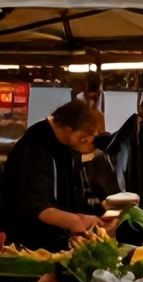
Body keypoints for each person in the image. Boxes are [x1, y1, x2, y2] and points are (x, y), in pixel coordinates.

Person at [0, 100, 111, 250]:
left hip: (56, 242)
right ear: (67, 127)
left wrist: (90, 216)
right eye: (83, 137)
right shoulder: (33, 144)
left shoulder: (65, 145)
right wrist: (74, 221)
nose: (86, 142)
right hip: (30, 244)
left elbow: (70, 194)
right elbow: (33, 203)